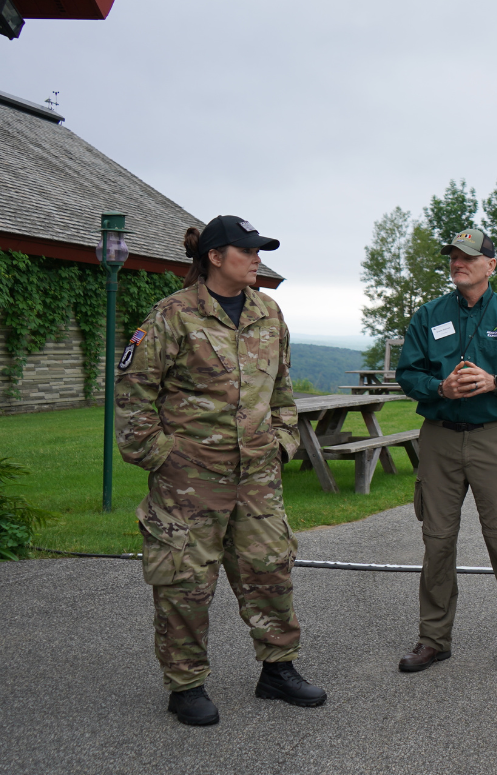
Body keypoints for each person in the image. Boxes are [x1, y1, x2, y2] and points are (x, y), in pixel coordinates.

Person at [115, 215, 325, 726]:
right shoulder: (173, 316)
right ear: (214, 257)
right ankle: (186, 686)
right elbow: (133, 394)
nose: (257, 259)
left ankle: (278, 669)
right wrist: (163, 456)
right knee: (185, 582)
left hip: (257, 476)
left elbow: (282, 390)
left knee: (270, 571)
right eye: (247, 250)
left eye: (258, 251)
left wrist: (282, 443)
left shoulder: (268, 312)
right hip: (189, 481)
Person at [395, 228, 497, 676]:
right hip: (439, 438)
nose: (457, 264)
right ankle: (433, 639)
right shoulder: (429, 315)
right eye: (453, 257)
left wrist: (495, 382)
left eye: (466, 257)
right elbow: (408, 374)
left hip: (491, 438)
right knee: (437, 541)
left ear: (490, 265)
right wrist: (438, 387)